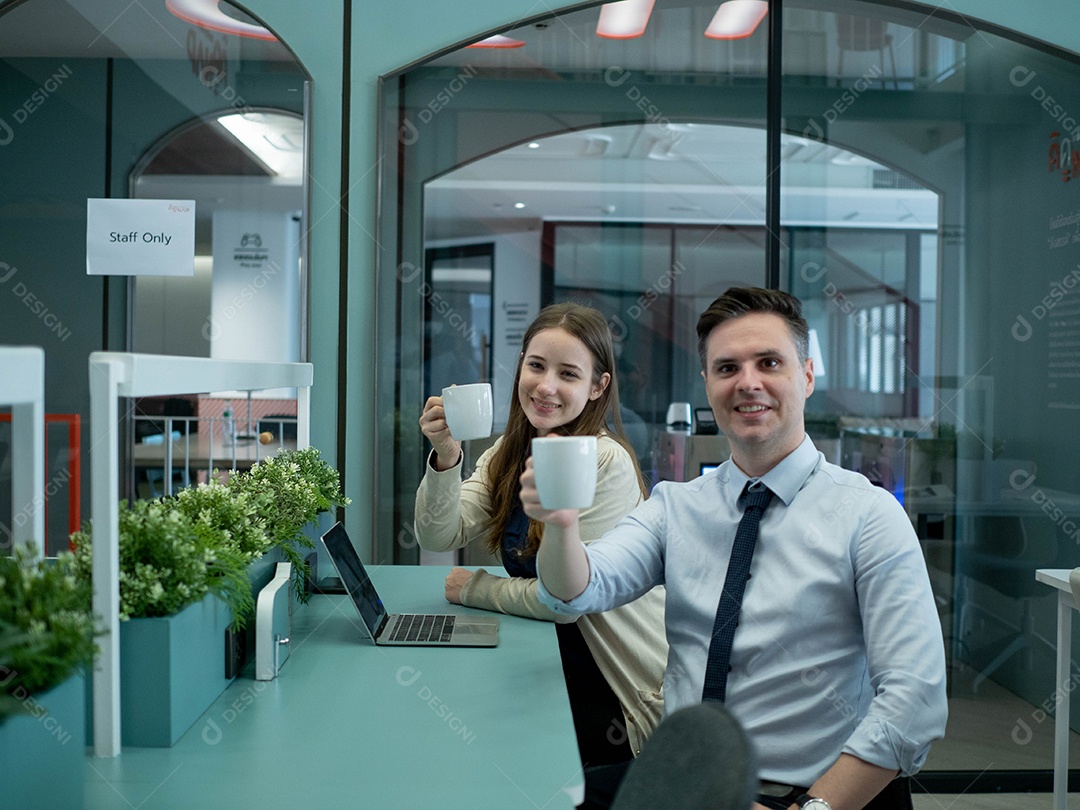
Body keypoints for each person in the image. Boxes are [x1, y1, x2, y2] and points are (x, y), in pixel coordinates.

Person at [524, 288, 948, 810]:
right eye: (726, 368)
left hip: (819, 797)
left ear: (808, 376)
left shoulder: (869, 516)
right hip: (690, 787)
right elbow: (577, 590)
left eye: (769, 362)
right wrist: (562, 525)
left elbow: (915, 702)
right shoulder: (675, 507)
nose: (748, 382)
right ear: (707, 384)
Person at [415, 302, 668, 768]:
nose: (545, 386)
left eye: (568, 374)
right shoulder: (511, 450)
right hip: (552, 664)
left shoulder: (605, 462)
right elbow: (438, 533)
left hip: (614, 691)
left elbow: (565, 603)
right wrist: (446, 455)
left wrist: (476, 587)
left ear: (598, 387)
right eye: (536, 366)